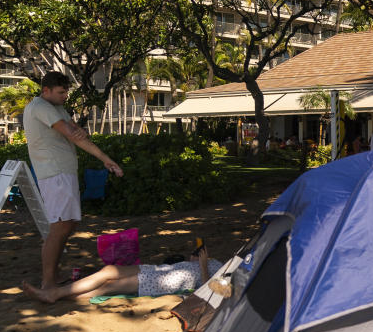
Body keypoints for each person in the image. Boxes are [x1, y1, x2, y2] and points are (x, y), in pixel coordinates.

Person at [23, 71, 124, 290]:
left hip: (63, 172)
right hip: (54, 173)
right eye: (61, 92)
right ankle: (48, 281)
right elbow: (73, 135)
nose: (65, 96)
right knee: (59, 227)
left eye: (66, 92)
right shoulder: (40, 107)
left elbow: (78, 133)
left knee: (68, 224)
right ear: (46, 90)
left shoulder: (56, 107)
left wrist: (77, 131)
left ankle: (54, 276)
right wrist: (106, 159)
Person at [21, 247, 223, 304]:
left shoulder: (228, 278)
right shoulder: (225, 265)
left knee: (108, 287)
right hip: (162, 270)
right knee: (109, 271)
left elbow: (207, 294)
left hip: (166, 282)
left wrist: (203, 266)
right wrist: (195, 259)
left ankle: (56, 294)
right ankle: (56, 293)